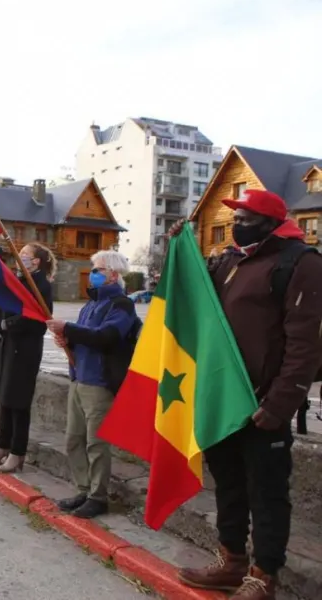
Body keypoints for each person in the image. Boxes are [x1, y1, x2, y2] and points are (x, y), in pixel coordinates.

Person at [172, 190, 322, 599]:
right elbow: (197, 296)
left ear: (271, 221)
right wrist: (178, 247)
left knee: (268, 494)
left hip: (262, 405)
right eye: (235, 216)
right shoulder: (230, 260)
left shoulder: (300, 263)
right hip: (224, 400)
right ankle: (231, 559)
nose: (237, 223)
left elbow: (305, 345)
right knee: (229, 485)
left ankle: (263, 575)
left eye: (246, 216)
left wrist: (278, 405)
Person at [46, 249, 136, 520]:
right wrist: (66, 339)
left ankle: (98, 496)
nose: (92, 273)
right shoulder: (90, 304)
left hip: (99, 383)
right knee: (74, 439)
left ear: (113, 274)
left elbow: (107, 337)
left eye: (97, 269)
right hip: (79, 378)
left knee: (96, 444)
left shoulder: (121, 305)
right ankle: (84, 489)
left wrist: (68, 329)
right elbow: (84, 338)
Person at [0, 243, 56, 473]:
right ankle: (2, 447)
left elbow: (39, 319)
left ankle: (17, 454)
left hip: (25, 350)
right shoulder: (19, 281)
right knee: (5, 398)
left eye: (26, 255)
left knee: (18, 402)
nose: (21, 257)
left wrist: (10, 323)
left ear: (37, 261)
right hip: (9, 346)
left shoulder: (41, 285)